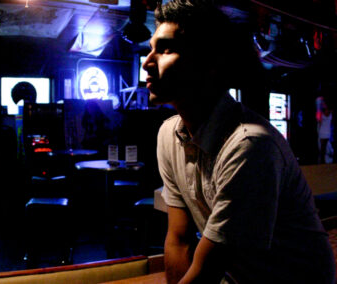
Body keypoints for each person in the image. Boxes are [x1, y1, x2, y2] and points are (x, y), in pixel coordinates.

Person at [142, 0, 336, 283]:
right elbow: (178, 240)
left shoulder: (249, 146)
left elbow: (208, 269)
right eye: (151, 48)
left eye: (165, 49)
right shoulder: (168, 135)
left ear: (208, 64)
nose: (147, 61)